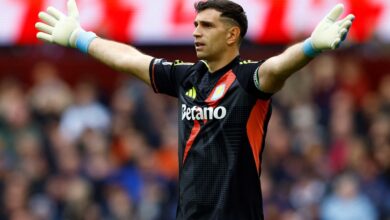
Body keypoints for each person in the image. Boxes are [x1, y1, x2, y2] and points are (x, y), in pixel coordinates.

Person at [35, 0, 355, 219]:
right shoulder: (187, 76)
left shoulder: (247, 80)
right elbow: (130, 60)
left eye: (206, 25)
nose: (195, 32)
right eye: (195, 24)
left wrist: (310, 47)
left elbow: (277, 68)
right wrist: (81, 38)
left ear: (232, 34)